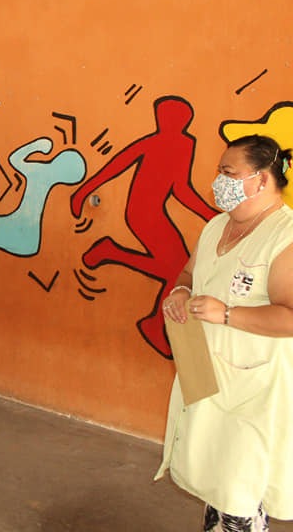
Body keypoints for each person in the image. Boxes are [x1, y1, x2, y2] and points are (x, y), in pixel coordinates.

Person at [156, 134, 293, 531]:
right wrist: (181, 292)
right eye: (220, 171)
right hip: (209, 377)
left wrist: (228, 314)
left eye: (229, 172)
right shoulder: (217, 226)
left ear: (261, 179)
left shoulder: (284, 236)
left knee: (239, 491)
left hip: (256, 391)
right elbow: (188, 273)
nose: (219, 181)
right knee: (218, 484)